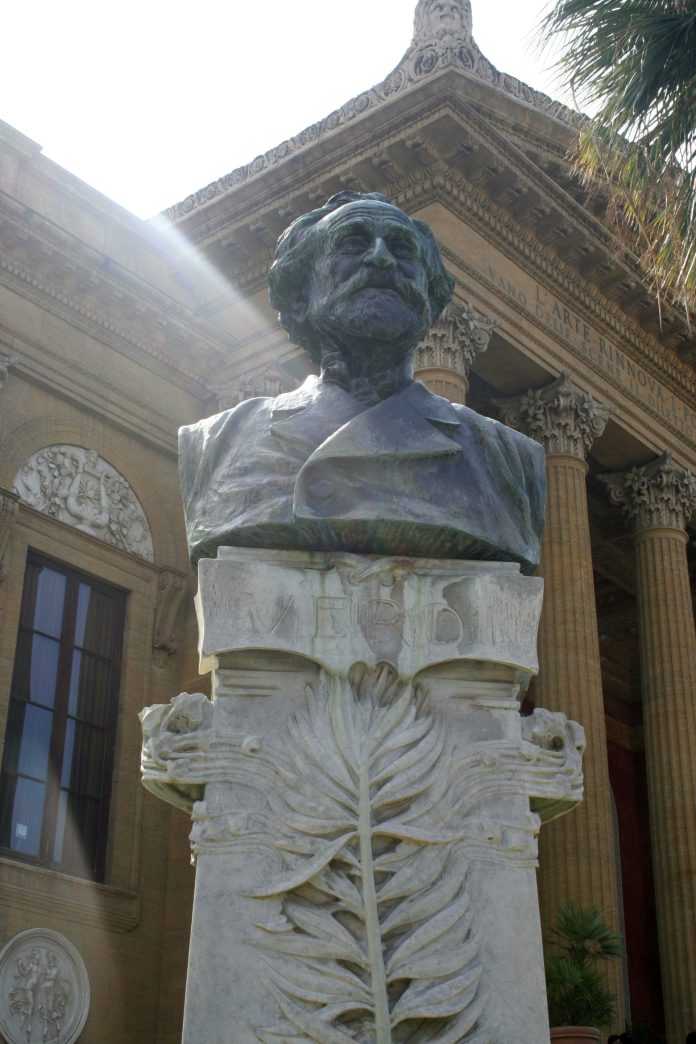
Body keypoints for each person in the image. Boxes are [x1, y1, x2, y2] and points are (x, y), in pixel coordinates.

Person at [179, 192, 546, 572]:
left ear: (430, 302)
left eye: (403, 250)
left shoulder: (505, 458)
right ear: (301, 296)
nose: (382, 257)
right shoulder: (220, 443)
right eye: (352, 244)